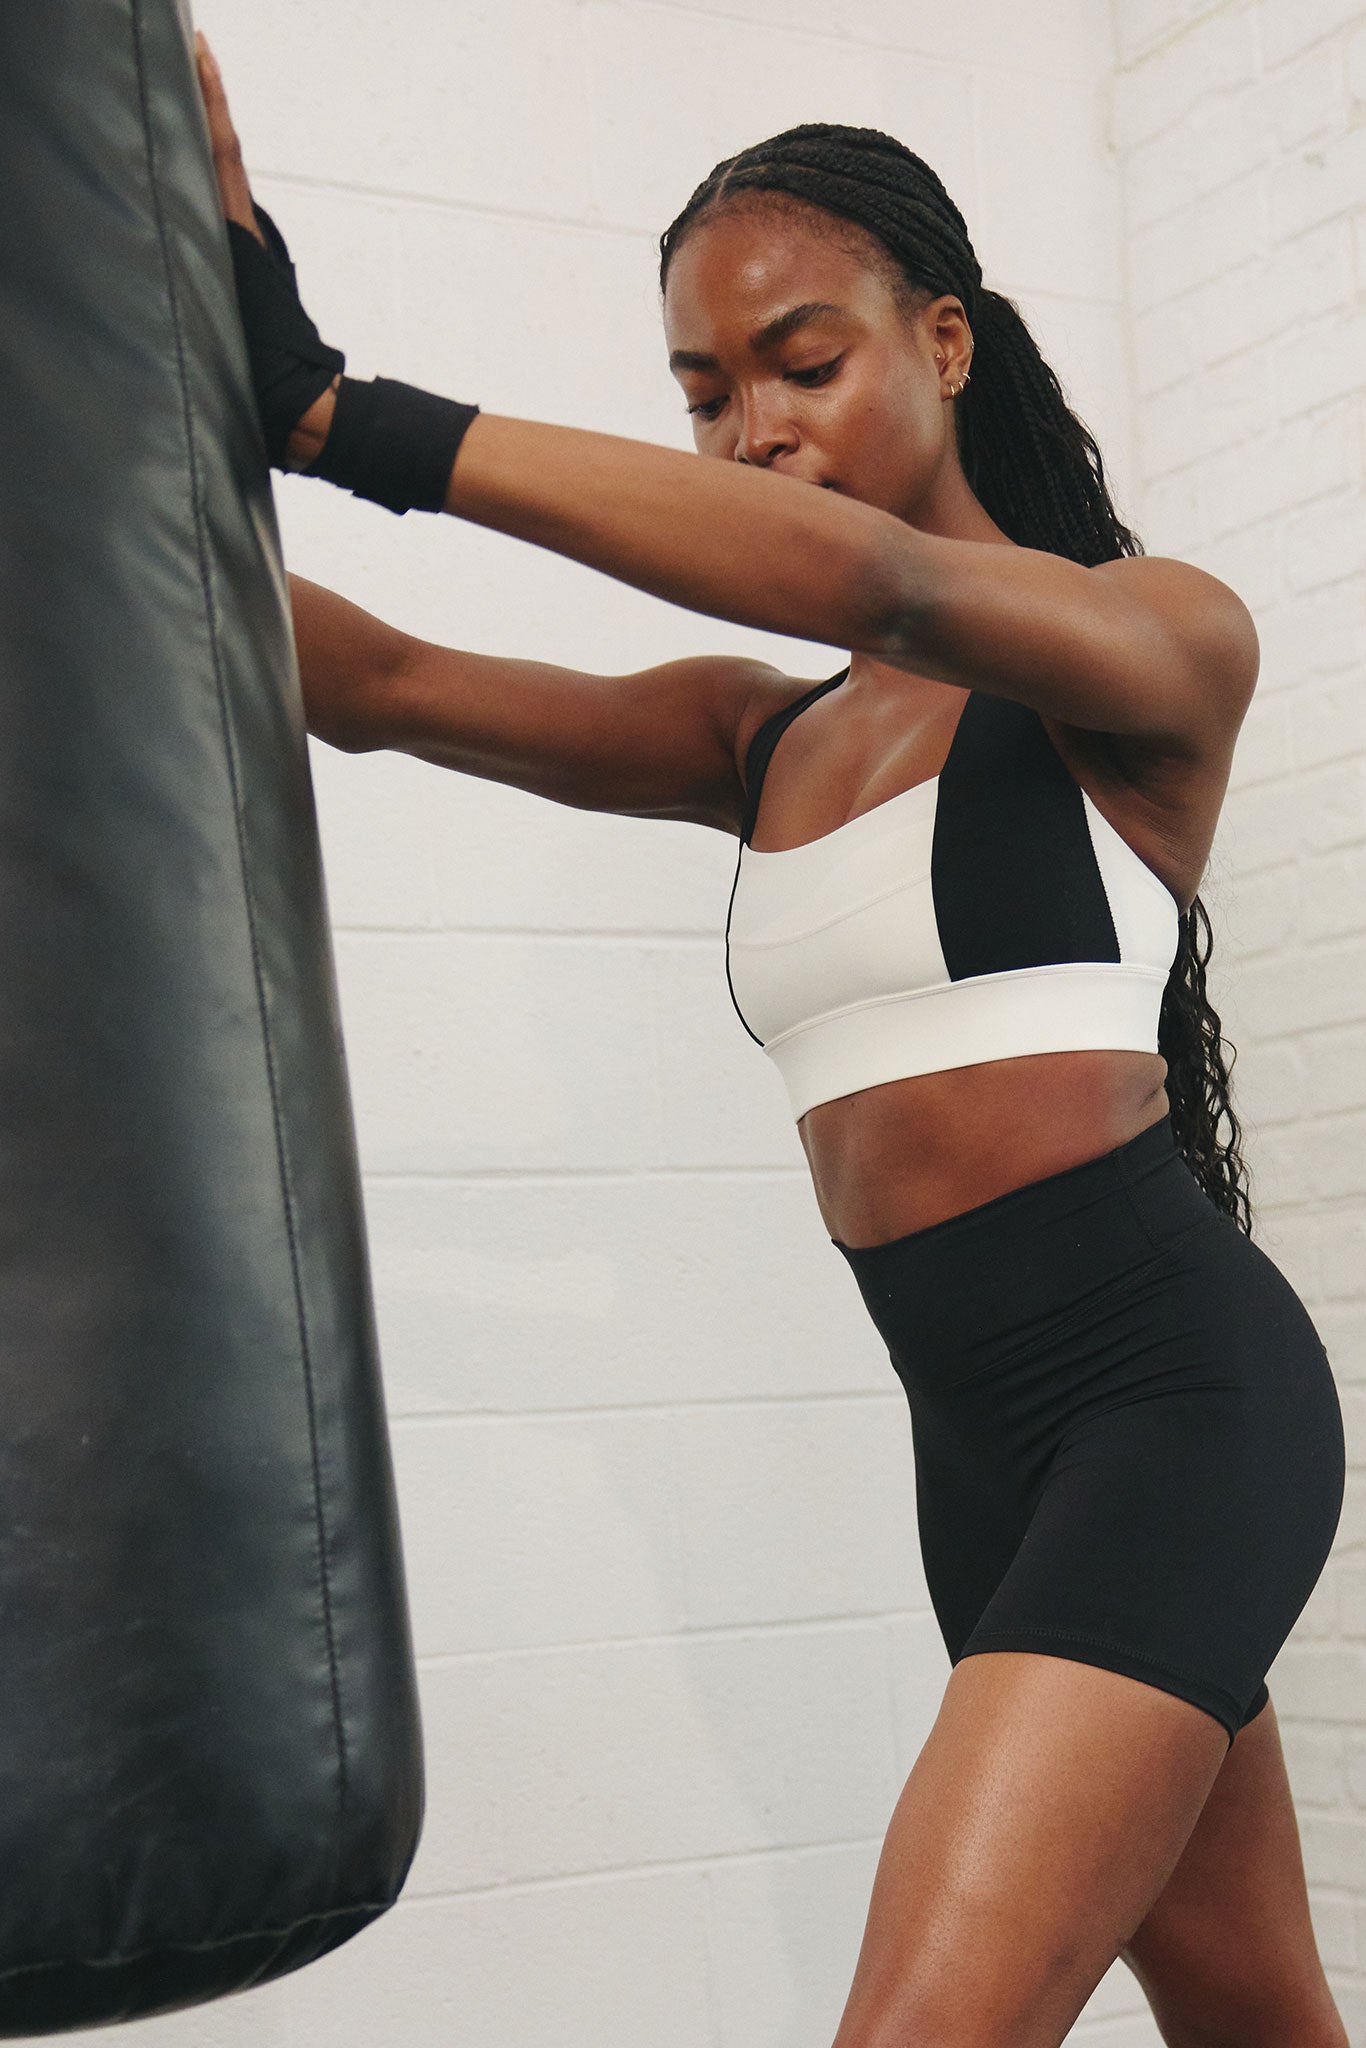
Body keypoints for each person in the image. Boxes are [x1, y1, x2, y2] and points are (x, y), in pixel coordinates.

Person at [195, 36, 1348, 2048]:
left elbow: (886, 580)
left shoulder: (1147, 646)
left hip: (1174, 1414)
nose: (749, 429)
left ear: (945, 341)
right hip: (972, 1455)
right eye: (703, 393)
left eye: (800, 363)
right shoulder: (765, 742)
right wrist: (103, 449)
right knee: (1253, 2012)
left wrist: (340, 412)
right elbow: (367, 681)